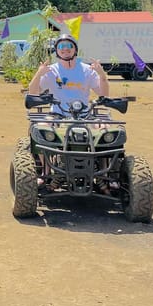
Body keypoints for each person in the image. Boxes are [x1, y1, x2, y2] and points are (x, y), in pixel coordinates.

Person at [28, 33, 110, 189]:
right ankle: (47, 171)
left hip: (85, 115)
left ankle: (104, 175)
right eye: (61, 46)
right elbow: (33, 93)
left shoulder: (87, 70)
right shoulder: (51, 71)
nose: (65, 49)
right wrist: (39, 73)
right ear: (57, 51)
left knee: (106, 130)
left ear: (75, 49)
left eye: (69, 46)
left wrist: (101, 74)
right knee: (39, 129)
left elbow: (103, 94)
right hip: (57, 115)